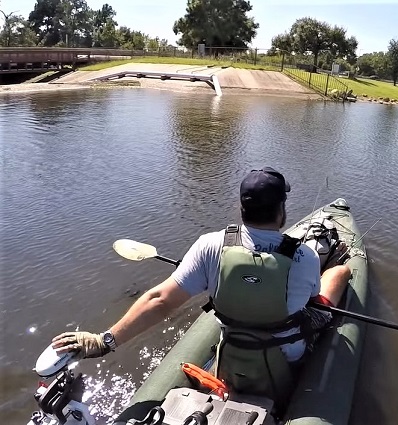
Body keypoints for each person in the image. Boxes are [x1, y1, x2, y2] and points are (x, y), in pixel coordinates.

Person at [51, 167, 352, 402]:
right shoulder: (305, 256)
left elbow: (159, 299)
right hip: (288, 355)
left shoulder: (210, 245)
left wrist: (104, 341)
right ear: (281, 210)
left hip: (235, 348)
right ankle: (344, 270)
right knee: (337, 273)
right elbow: (311, 302)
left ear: (241, 207)